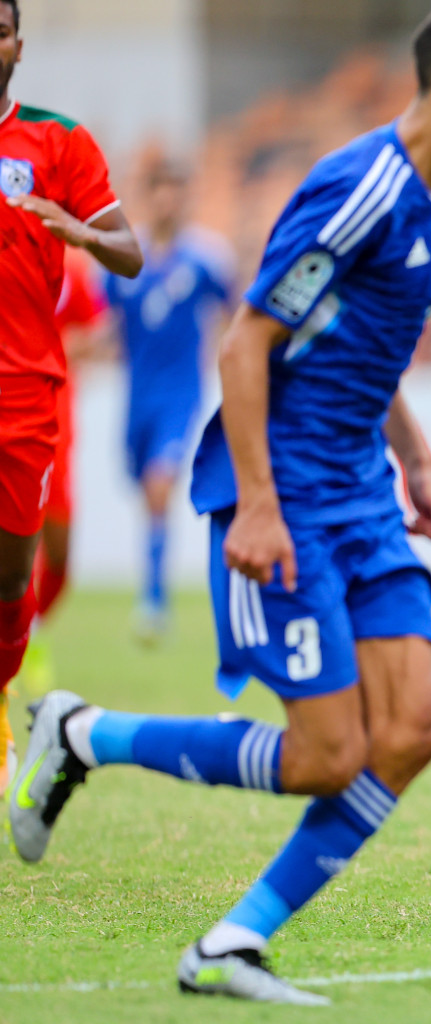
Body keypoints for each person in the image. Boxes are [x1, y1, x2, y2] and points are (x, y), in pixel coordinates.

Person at [8, 0, 431, 1002]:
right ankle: (82, 734)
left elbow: (359, 346)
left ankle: (229, 945)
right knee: (327, 756)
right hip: (286, 492)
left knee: (413, 732)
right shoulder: (359, 188)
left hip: (363, 495)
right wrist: (257, 503)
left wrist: (416, 461)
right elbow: (247, 342)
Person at [0, 0, 143, 795]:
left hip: (24, 394)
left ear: (17, 44)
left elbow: (129, 250)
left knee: (15, 582)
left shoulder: (57, 139)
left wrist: (79, 231)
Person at [104, 158, 235, 641]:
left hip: (182, 398)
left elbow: (235, 315)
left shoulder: (205, 259)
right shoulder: (122, 258)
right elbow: (107, 322)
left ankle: (153, 599)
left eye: (177, 190)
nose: (169, 199)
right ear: (149, 196)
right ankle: (153, 582)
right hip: (136, 399)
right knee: (145, 491)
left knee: (161, 485)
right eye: (161, 190)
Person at [18, 249, 107, 691]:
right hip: (11, 425)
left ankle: (30, 629)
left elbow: (100, 326)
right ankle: (15, 639)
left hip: (57, 427)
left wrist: (61, 346)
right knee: (17, 546)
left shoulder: (72, 266)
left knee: (59, 557)